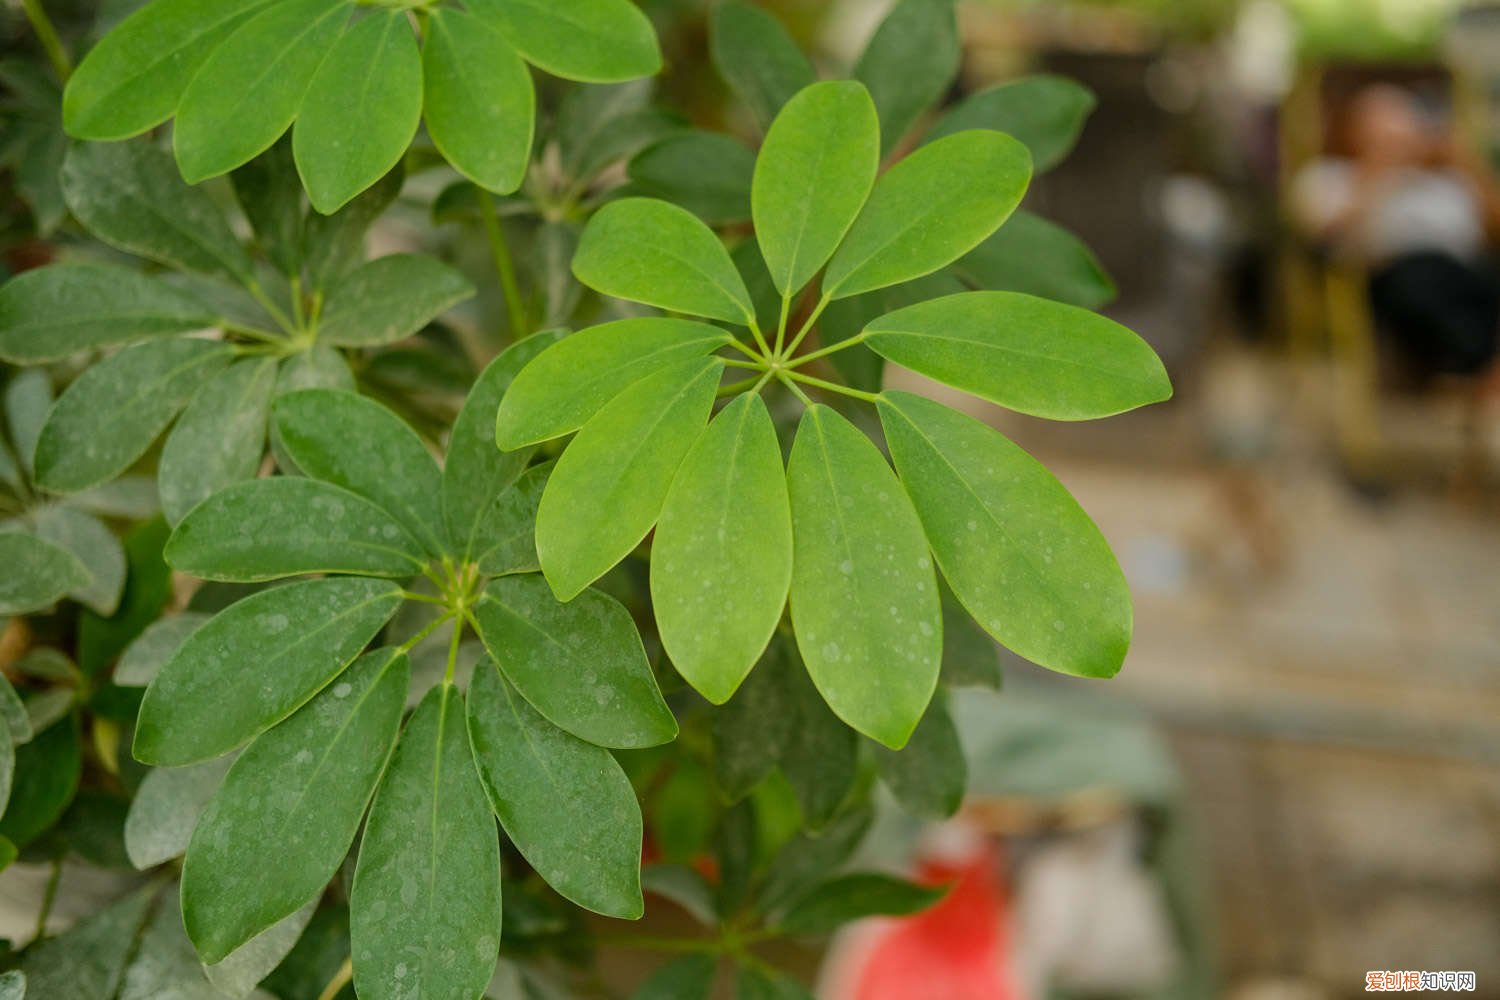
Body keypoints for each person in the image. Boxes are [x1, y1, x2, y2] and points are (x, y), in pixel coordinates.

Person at [1293, 84, 1500, 380]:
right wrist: (1377, 173)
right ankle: (1480, 373)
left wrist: (1468, 166)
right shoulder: (1331, 177)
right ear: (1354, 132)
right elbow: (1320, 238)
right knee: (1423, 288)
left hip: (1469, 269)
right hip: (1393, 276)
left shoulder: (1449, 177)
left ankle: (1483, 374)